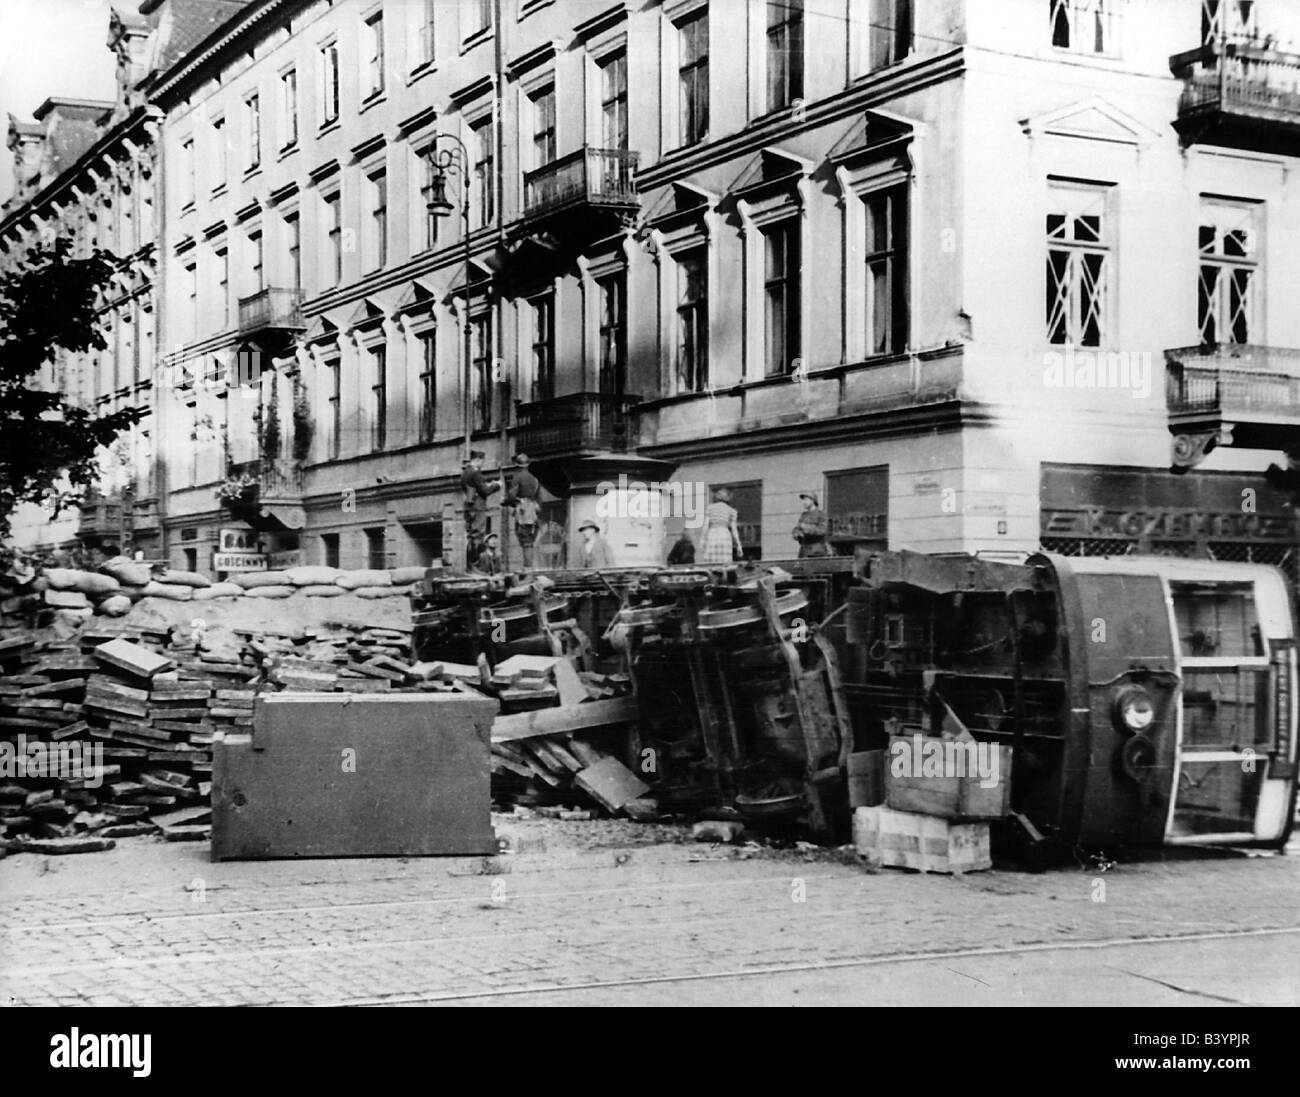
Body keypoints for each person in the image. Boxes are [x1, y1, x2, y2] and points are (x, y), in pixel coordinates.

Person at [459, 449, 501, 566]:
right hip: (478, 506)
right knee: (478, 535)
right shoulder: (476, 473)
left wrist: (485, 485)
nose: (482, 463)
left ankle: (470, 565)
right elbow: (485, 491)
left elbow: (474, 487)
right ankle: (476, 564)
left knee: (471, 535)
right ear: (477, 460)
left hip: (469, 504)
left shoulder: (465, 472)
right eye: (482, 461)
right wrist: (497, 485)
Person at [503, 453, 542, 570]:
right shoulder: (535, 480)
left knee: (525, 542)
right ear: (528, 465)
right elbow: (539, 500)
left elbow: (511, 497)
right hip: (533, 512)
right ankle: (529, 567)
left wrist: (507, 502)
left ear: (517, 465)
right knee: (529, 541)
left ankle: (527, 568)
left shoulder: (517, 478)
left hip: (522, 513)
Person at [701, 487, 742, 565]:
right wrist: (738, 545)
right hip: (724, 535)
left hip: (712, 534)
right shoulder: (732, 511)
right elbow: (734, 529)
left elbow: (705, 525)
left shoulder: (710, 508)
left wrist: (702, 539)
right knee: (724, 562)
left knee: (711, 562)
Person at [792, 492, 832, 558]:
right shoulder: (803, 515)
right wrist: (796, 534)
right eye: (803, 500)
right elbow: (798, 528)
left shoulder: (821, 515)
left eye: (806, 500)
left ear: (813, 501)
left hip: (816, 551)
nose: (804, 502)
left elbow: (822, 530)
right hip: (804, 551)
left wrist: (805, 528)